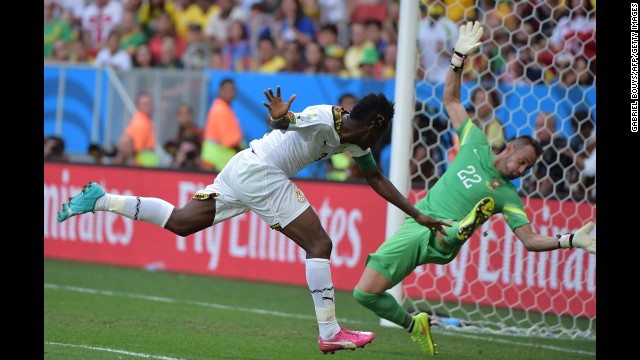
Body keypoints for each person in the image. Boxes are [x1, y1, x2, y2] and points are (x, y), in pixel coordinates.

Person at [56, 85, 450, 354]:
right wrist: (281, 115)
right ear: (376, 125)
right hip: (262, 171)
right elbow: (287, 122)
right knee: (320, 244)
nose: (376, 146)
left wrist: (417, 214)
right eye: (380, 137)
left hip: (244, 166)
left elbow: (375, 179)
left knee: (181, 222)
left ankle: (100, 200)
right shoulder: (325, 117)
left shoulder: (351, 137)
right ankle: (330, 332)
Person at [352, 21, 597, 357]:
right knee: (364, 294)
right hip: (417, 222)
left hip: (442, 235)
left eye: (528, 167)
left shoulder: (507, 195)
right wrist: (457, 57)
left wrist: (570, 240)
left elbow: (529, 240)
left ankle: (463, 227)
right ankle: (415, 325)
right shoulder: (475, 142)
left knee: (449, 230)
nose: (522, 170)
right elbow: (451, 99)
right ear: (509, 147)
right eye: (522, 161)